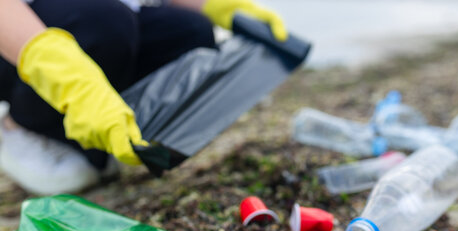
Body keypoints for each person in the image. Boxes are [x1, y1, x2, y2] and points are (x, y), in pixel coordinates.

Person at [0, 0, 287, 194]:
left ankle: (111, 130)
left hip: (103, 15)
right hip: (16, 35)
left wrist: (225, 8)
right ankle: (19, 126)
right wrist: (75, 86)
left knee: (192, 31)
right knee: (106, 25)